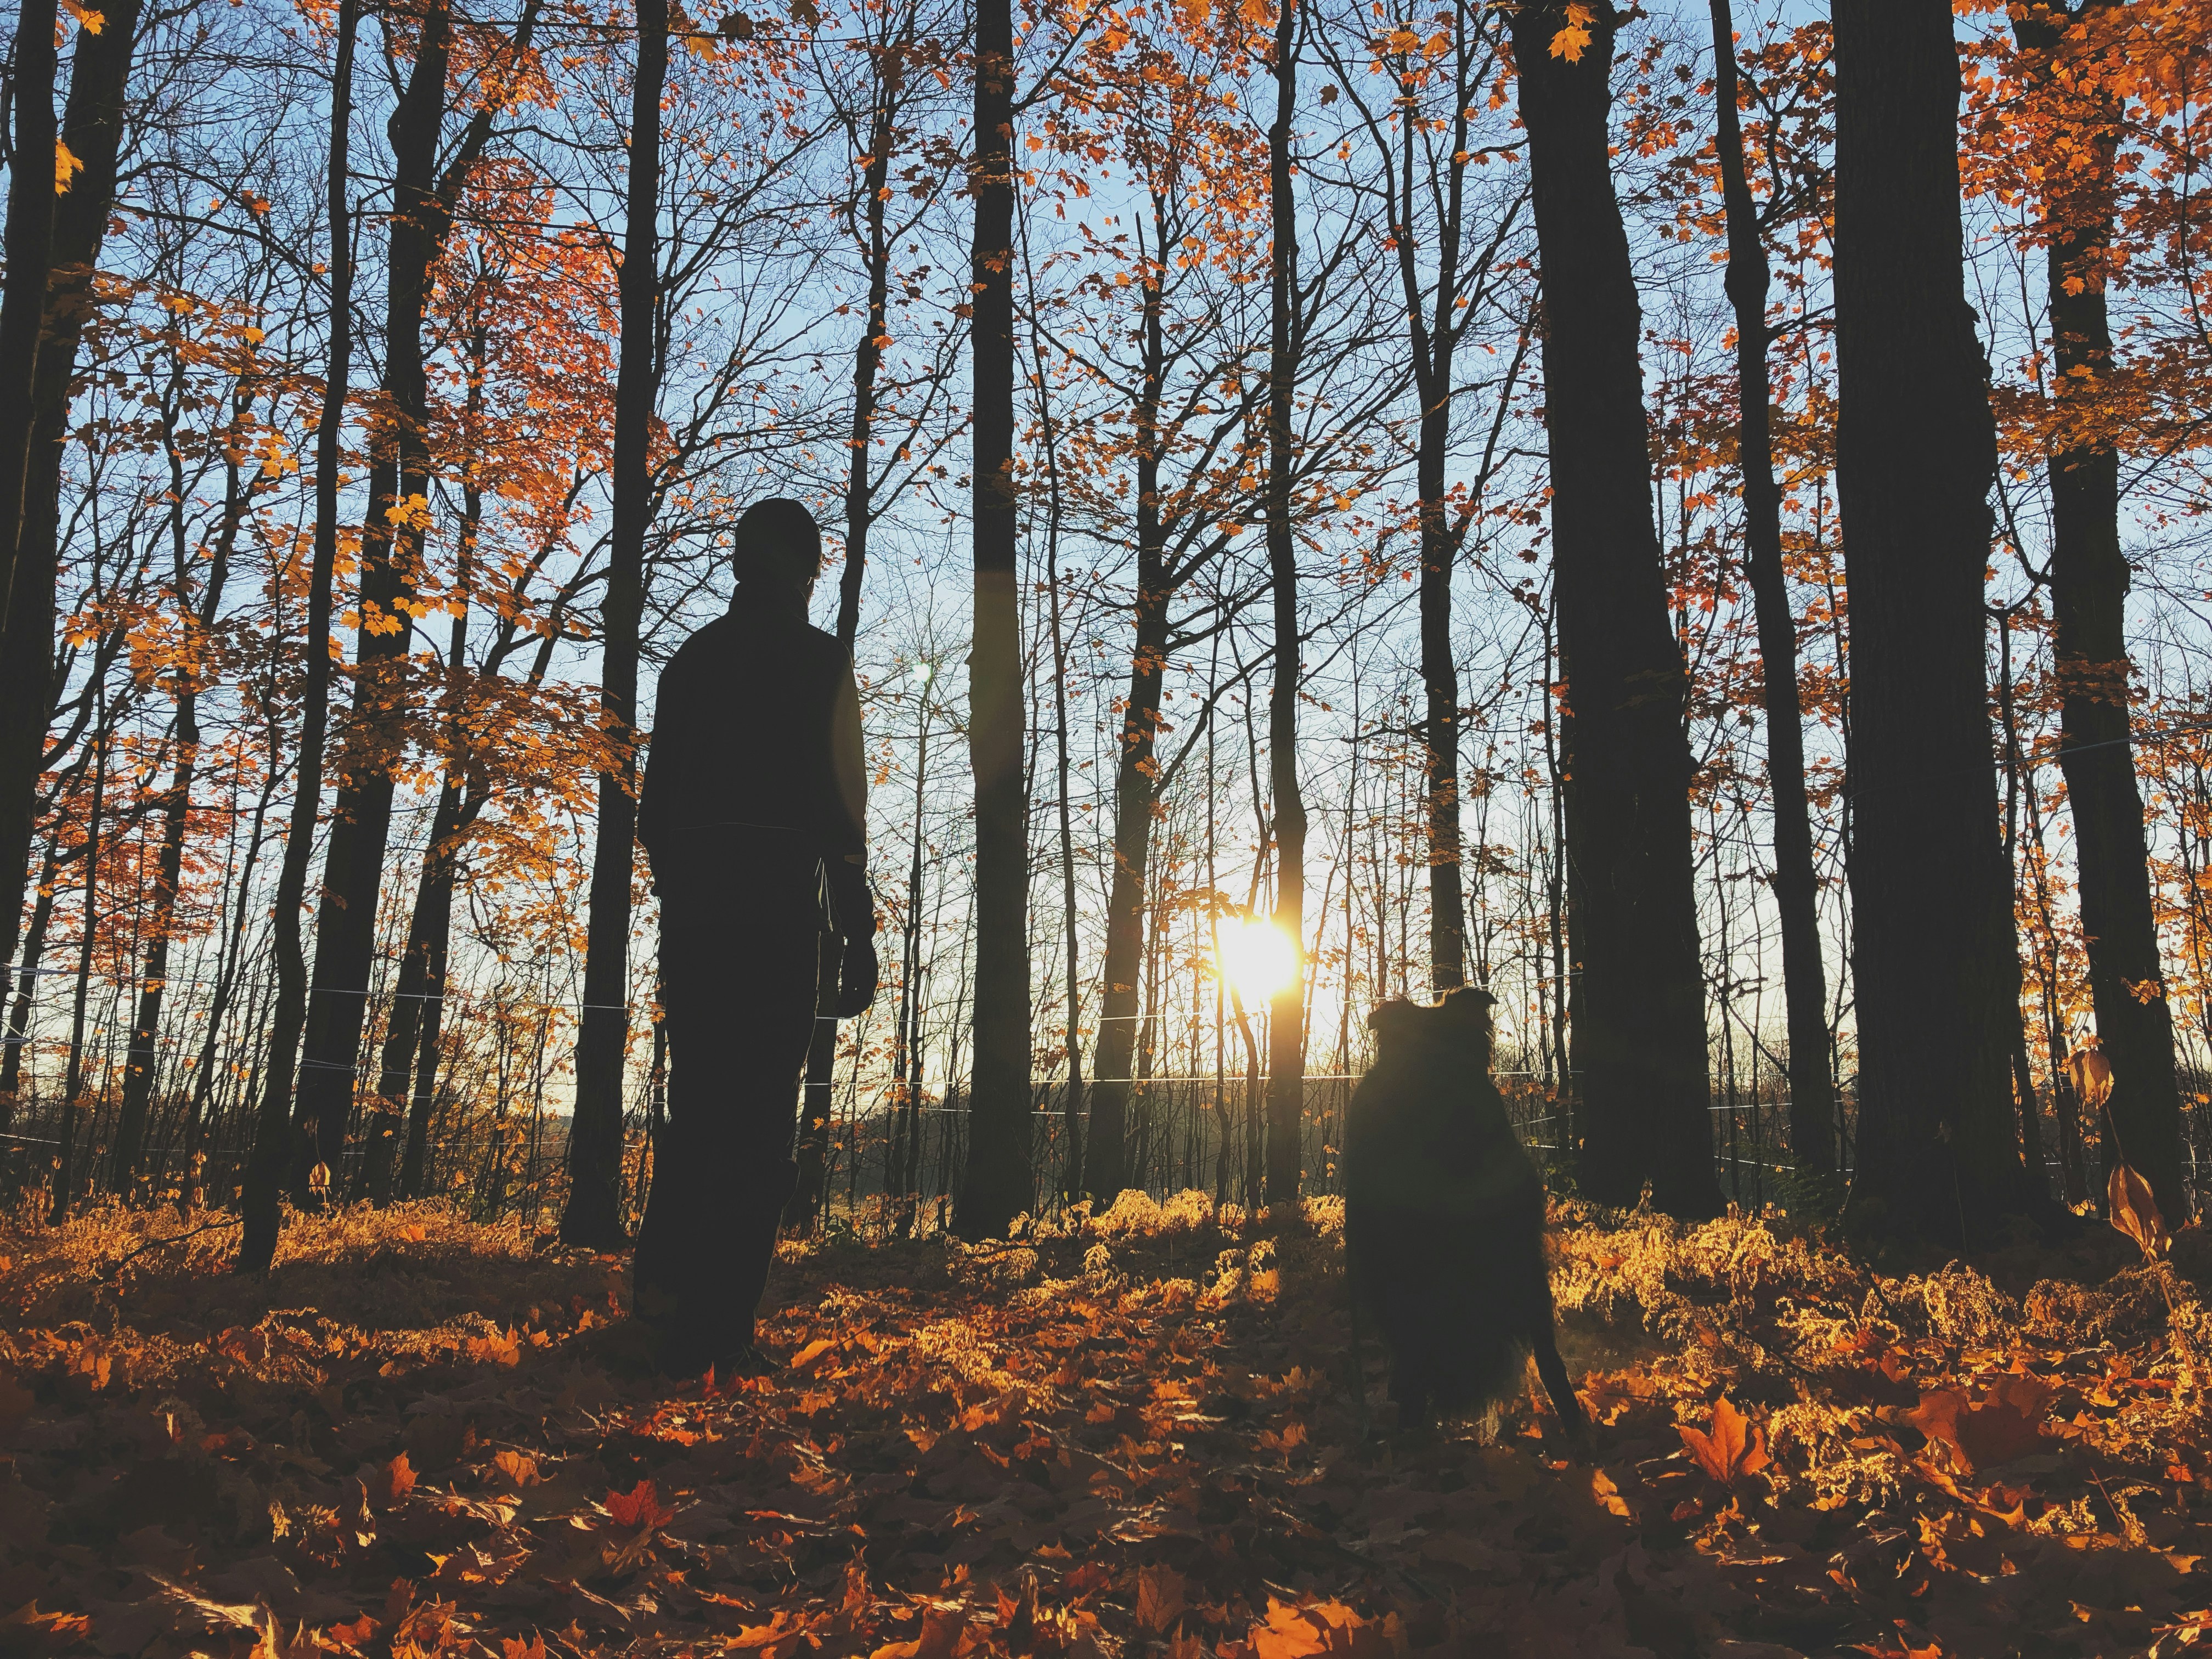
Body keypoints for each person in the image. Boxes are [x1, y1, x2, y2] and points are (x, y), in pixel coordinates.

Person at [632, 498, 878, 1377]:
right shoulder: (818, 663)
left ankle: (662, 1299)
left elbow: (654, 811)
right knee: (757, 1120)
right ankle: (717, 1330)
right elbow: (841, 811)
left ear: (741, 564)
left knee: (699, 1109)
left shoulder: (691, 662)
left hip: (699, 922)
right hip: (777, 916)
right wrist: (857, 930)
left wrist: (686, 888)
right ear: (808, 570)